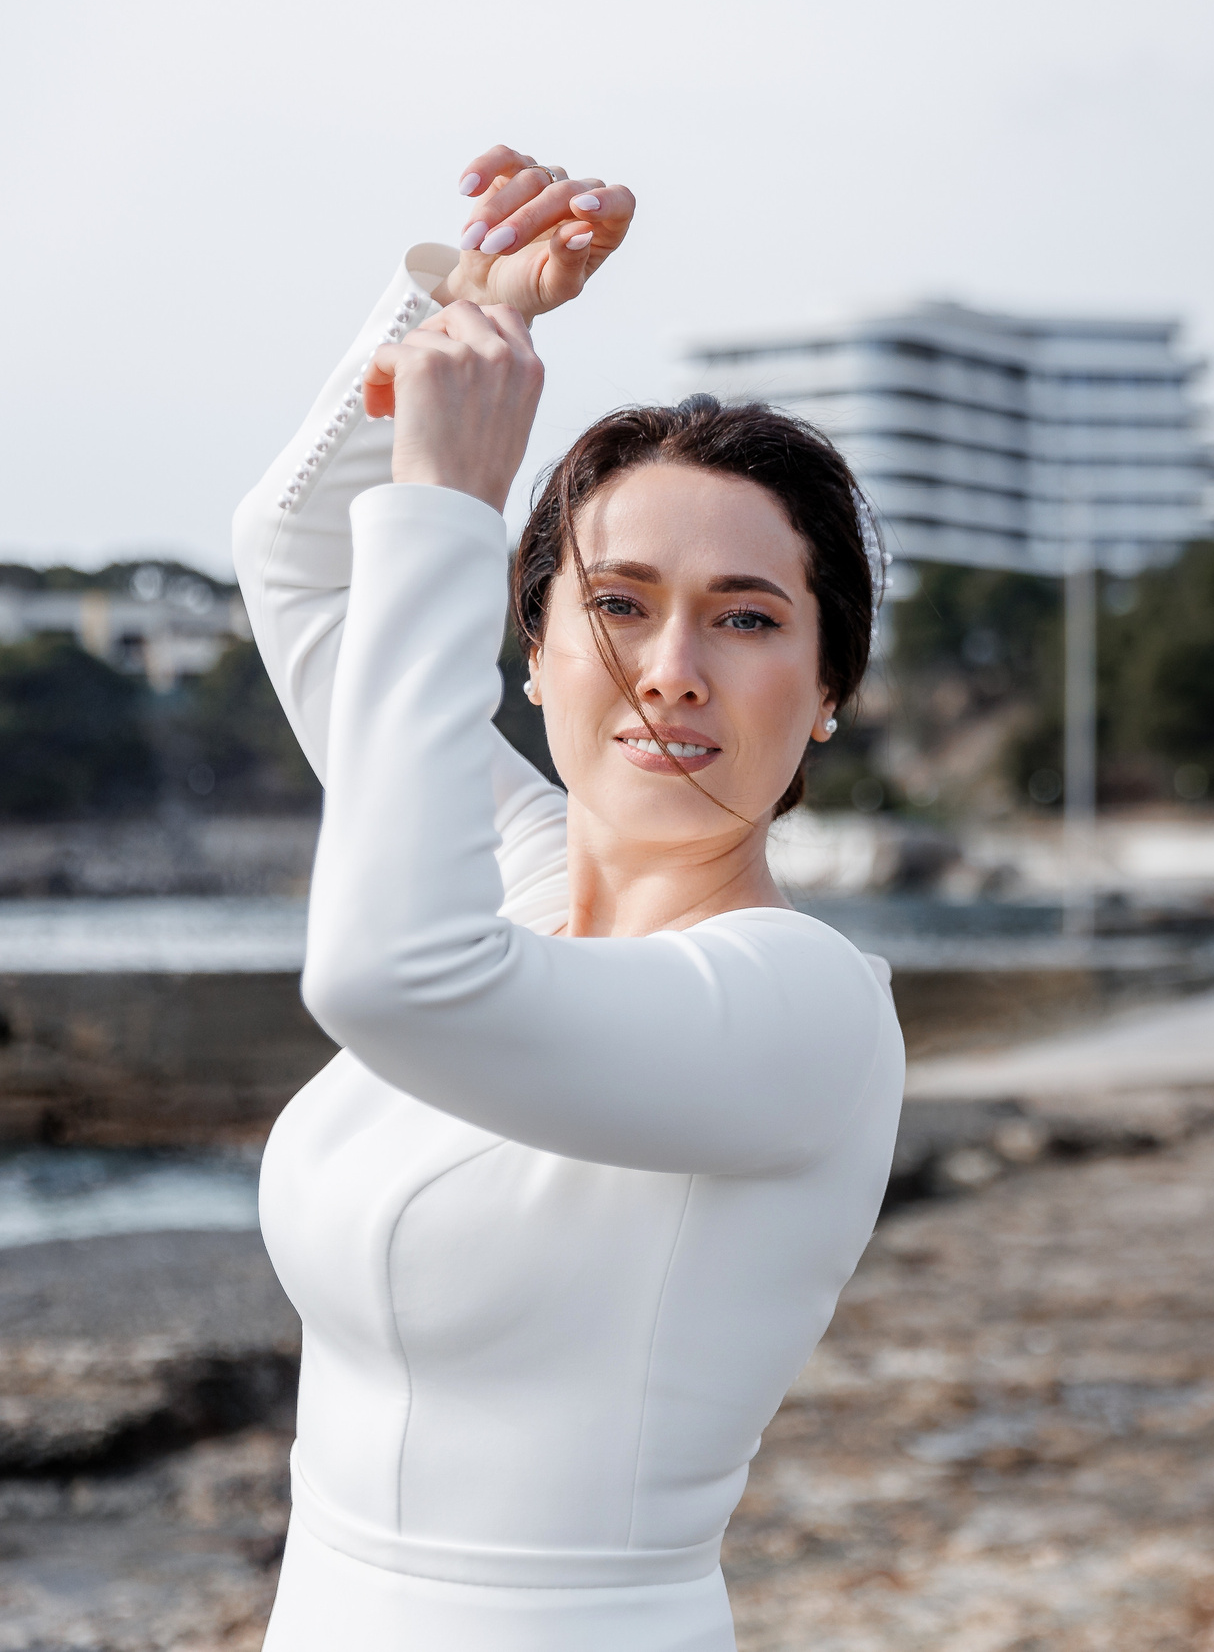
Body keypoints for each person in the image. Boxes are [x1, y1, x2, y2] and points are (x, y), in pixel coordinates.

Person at [236, 145, 904, 1650]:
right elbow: (295, 570)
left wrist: (454, 505)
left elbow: (392, 979)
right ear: (528, 653)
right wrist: (458, 329)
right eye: (617, 604)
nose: (673, 665)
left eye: (745, 617)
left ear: (828, 690)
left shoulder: (803, 1013)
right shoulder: (523, 878)